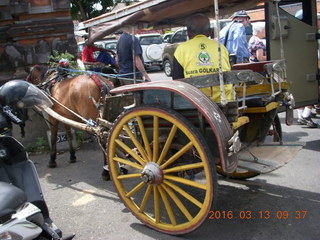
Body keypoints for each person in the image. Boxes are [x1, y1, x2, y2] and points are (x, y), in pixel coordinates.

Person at [172, 13, 233, 103]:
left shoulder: (181, 49)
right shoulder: (221, 47)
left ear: (188, 33)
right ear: (209, 32)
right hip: (224, 99)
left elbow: (177, 80)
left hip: (196, 102)